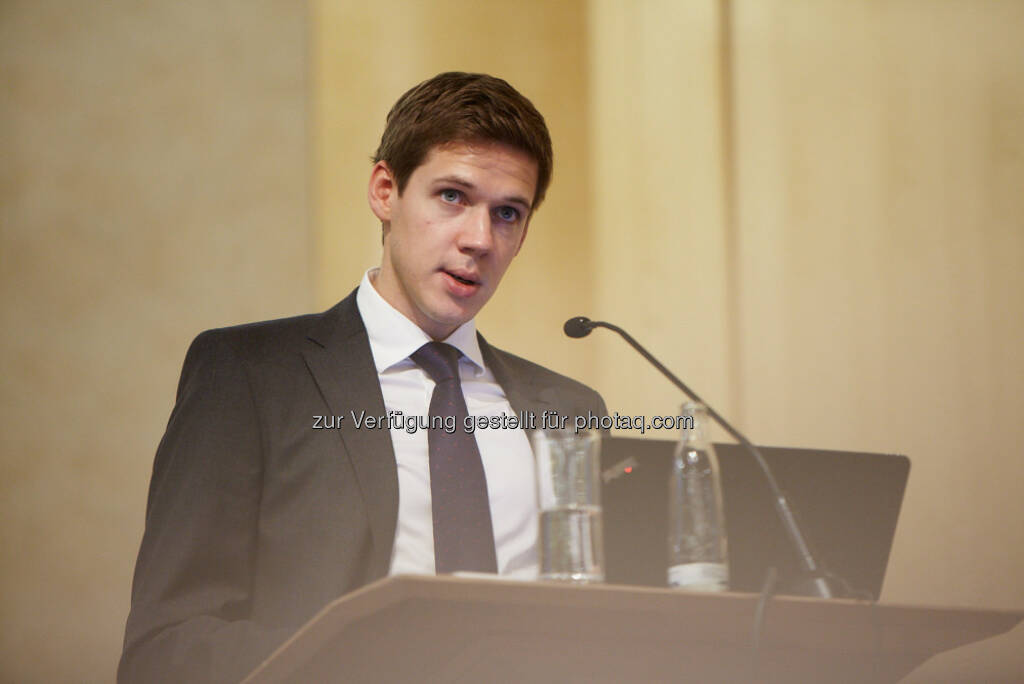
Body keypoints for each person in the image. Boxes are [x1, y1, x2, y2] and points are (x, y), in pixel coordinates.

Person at [118, 72, 606, 683]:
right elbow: (166, 649)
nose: (480, 239)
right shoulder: (250, 375)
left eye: (507, 213)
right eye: (452, 196)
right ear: (384, 191)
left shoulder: (571, 411)